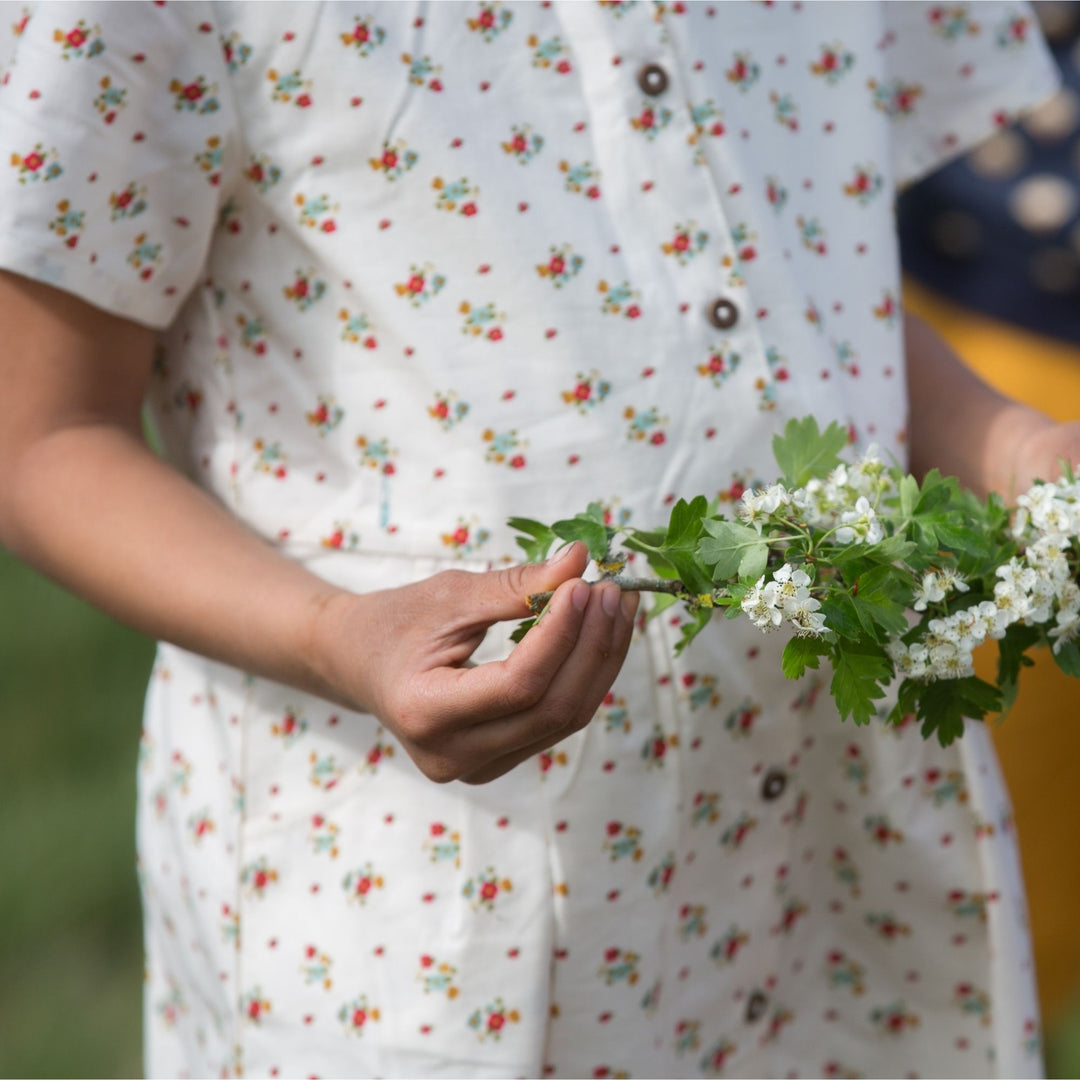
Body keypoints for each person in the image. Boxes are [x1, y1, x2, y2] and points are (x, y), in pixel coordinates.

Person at [0, 2, 1071, 1076]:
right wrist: (339, 636)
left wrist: (1023, 452)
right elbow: (39, 433)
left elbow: (809, 264)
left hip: (828, 864)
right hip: (427, 902)